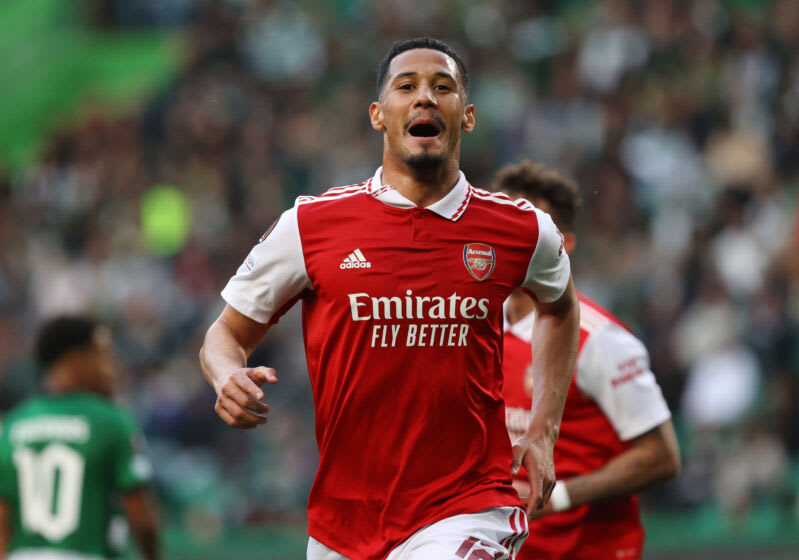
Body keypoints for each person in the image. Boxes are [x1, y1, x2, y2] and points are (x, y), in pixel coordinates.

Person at [199, 38, 580, 560]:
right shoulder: (311, 227)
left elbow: (559, 307)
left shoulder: (521, 230)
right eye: (407, 87)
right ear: (379, 115)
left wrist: (543, 431)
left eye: (442, 87)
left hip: (468, 504)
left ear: (466, 117)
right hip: (343, 523)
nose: (425, 98)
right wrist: (226, 375)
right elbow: (225, 335)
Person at [494, 160, 680, 560]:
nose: (511, 238)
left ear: (564, 246)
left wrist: (561, 496)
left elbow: (662, 457)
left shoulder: (599, 341)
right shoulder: (478, 330)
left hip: (589, 550)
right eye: (503, 226)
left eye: (530, 228)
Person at [0, 316, 160, 560]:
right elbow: (141, 520)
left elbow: (3, 521)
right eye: (104, 354)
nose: (114, 365)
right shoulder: (112, 421)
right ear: (75, 361)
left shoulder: (13, 426)